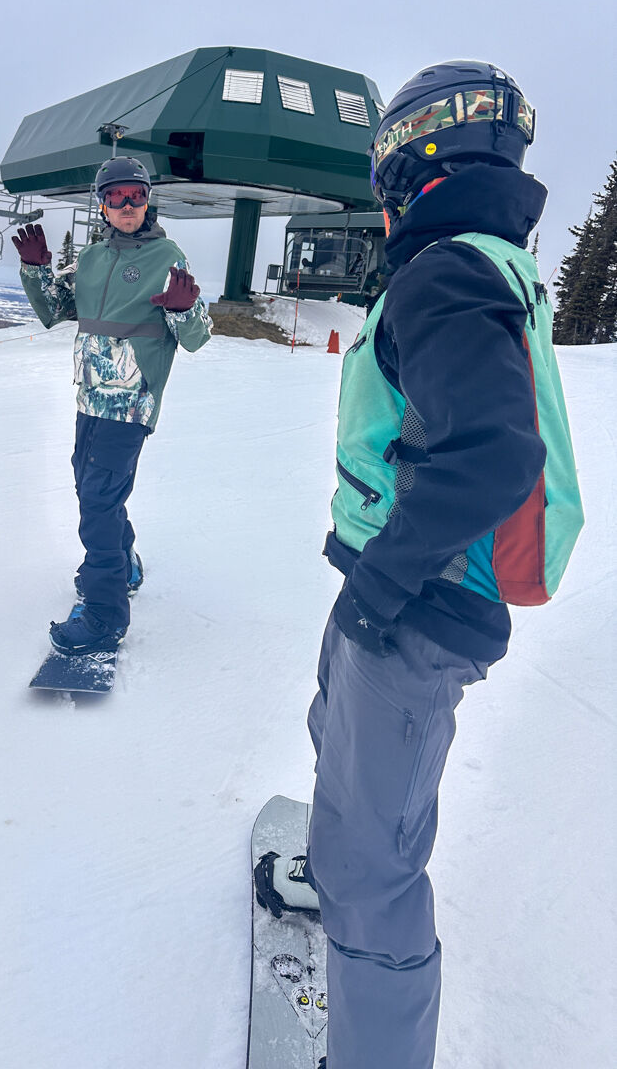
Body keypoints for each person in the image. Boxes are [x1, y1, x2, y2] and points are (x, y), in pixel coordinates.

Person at [254, 61, 583, 1068]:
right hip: (399, 581)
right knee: (336, 738)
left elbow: (492, 455)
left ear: (412, 159)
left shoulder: (446, 271)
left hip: (421, 603)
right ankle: (335, 863)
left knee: (378, 862)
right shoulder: (479, 259)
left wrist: (384, 586)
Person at [13, 155, 212, 655]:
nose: (127, 205)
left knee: (98, 503)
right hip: (89, 394)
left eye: (137, 196)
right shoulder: (93, 258)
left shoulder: (168, 255)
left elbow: (197, 336)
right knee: (90, 486)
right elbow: (54, 311)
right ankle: (123, 564)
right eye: (116, 197)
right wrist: (35, 269)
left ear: (148, 201)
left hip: (132, 399)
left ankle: (104, 615)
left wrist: (185, 311)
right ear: (101, 205)